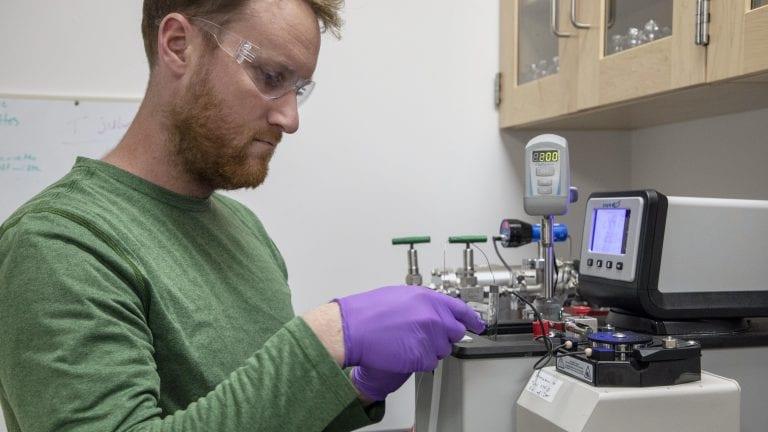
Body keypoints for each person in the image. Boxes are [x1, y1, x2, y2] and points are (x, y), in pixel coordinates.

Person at [0, 1, 485, 431]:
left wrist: (358, 389)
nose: (290, 119)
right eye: (271, 78)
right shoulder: (59, 244)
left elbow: (265, 418)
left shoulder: (242, 228)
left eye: (300, 88)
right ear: (177, 45)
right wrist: (327, 335)